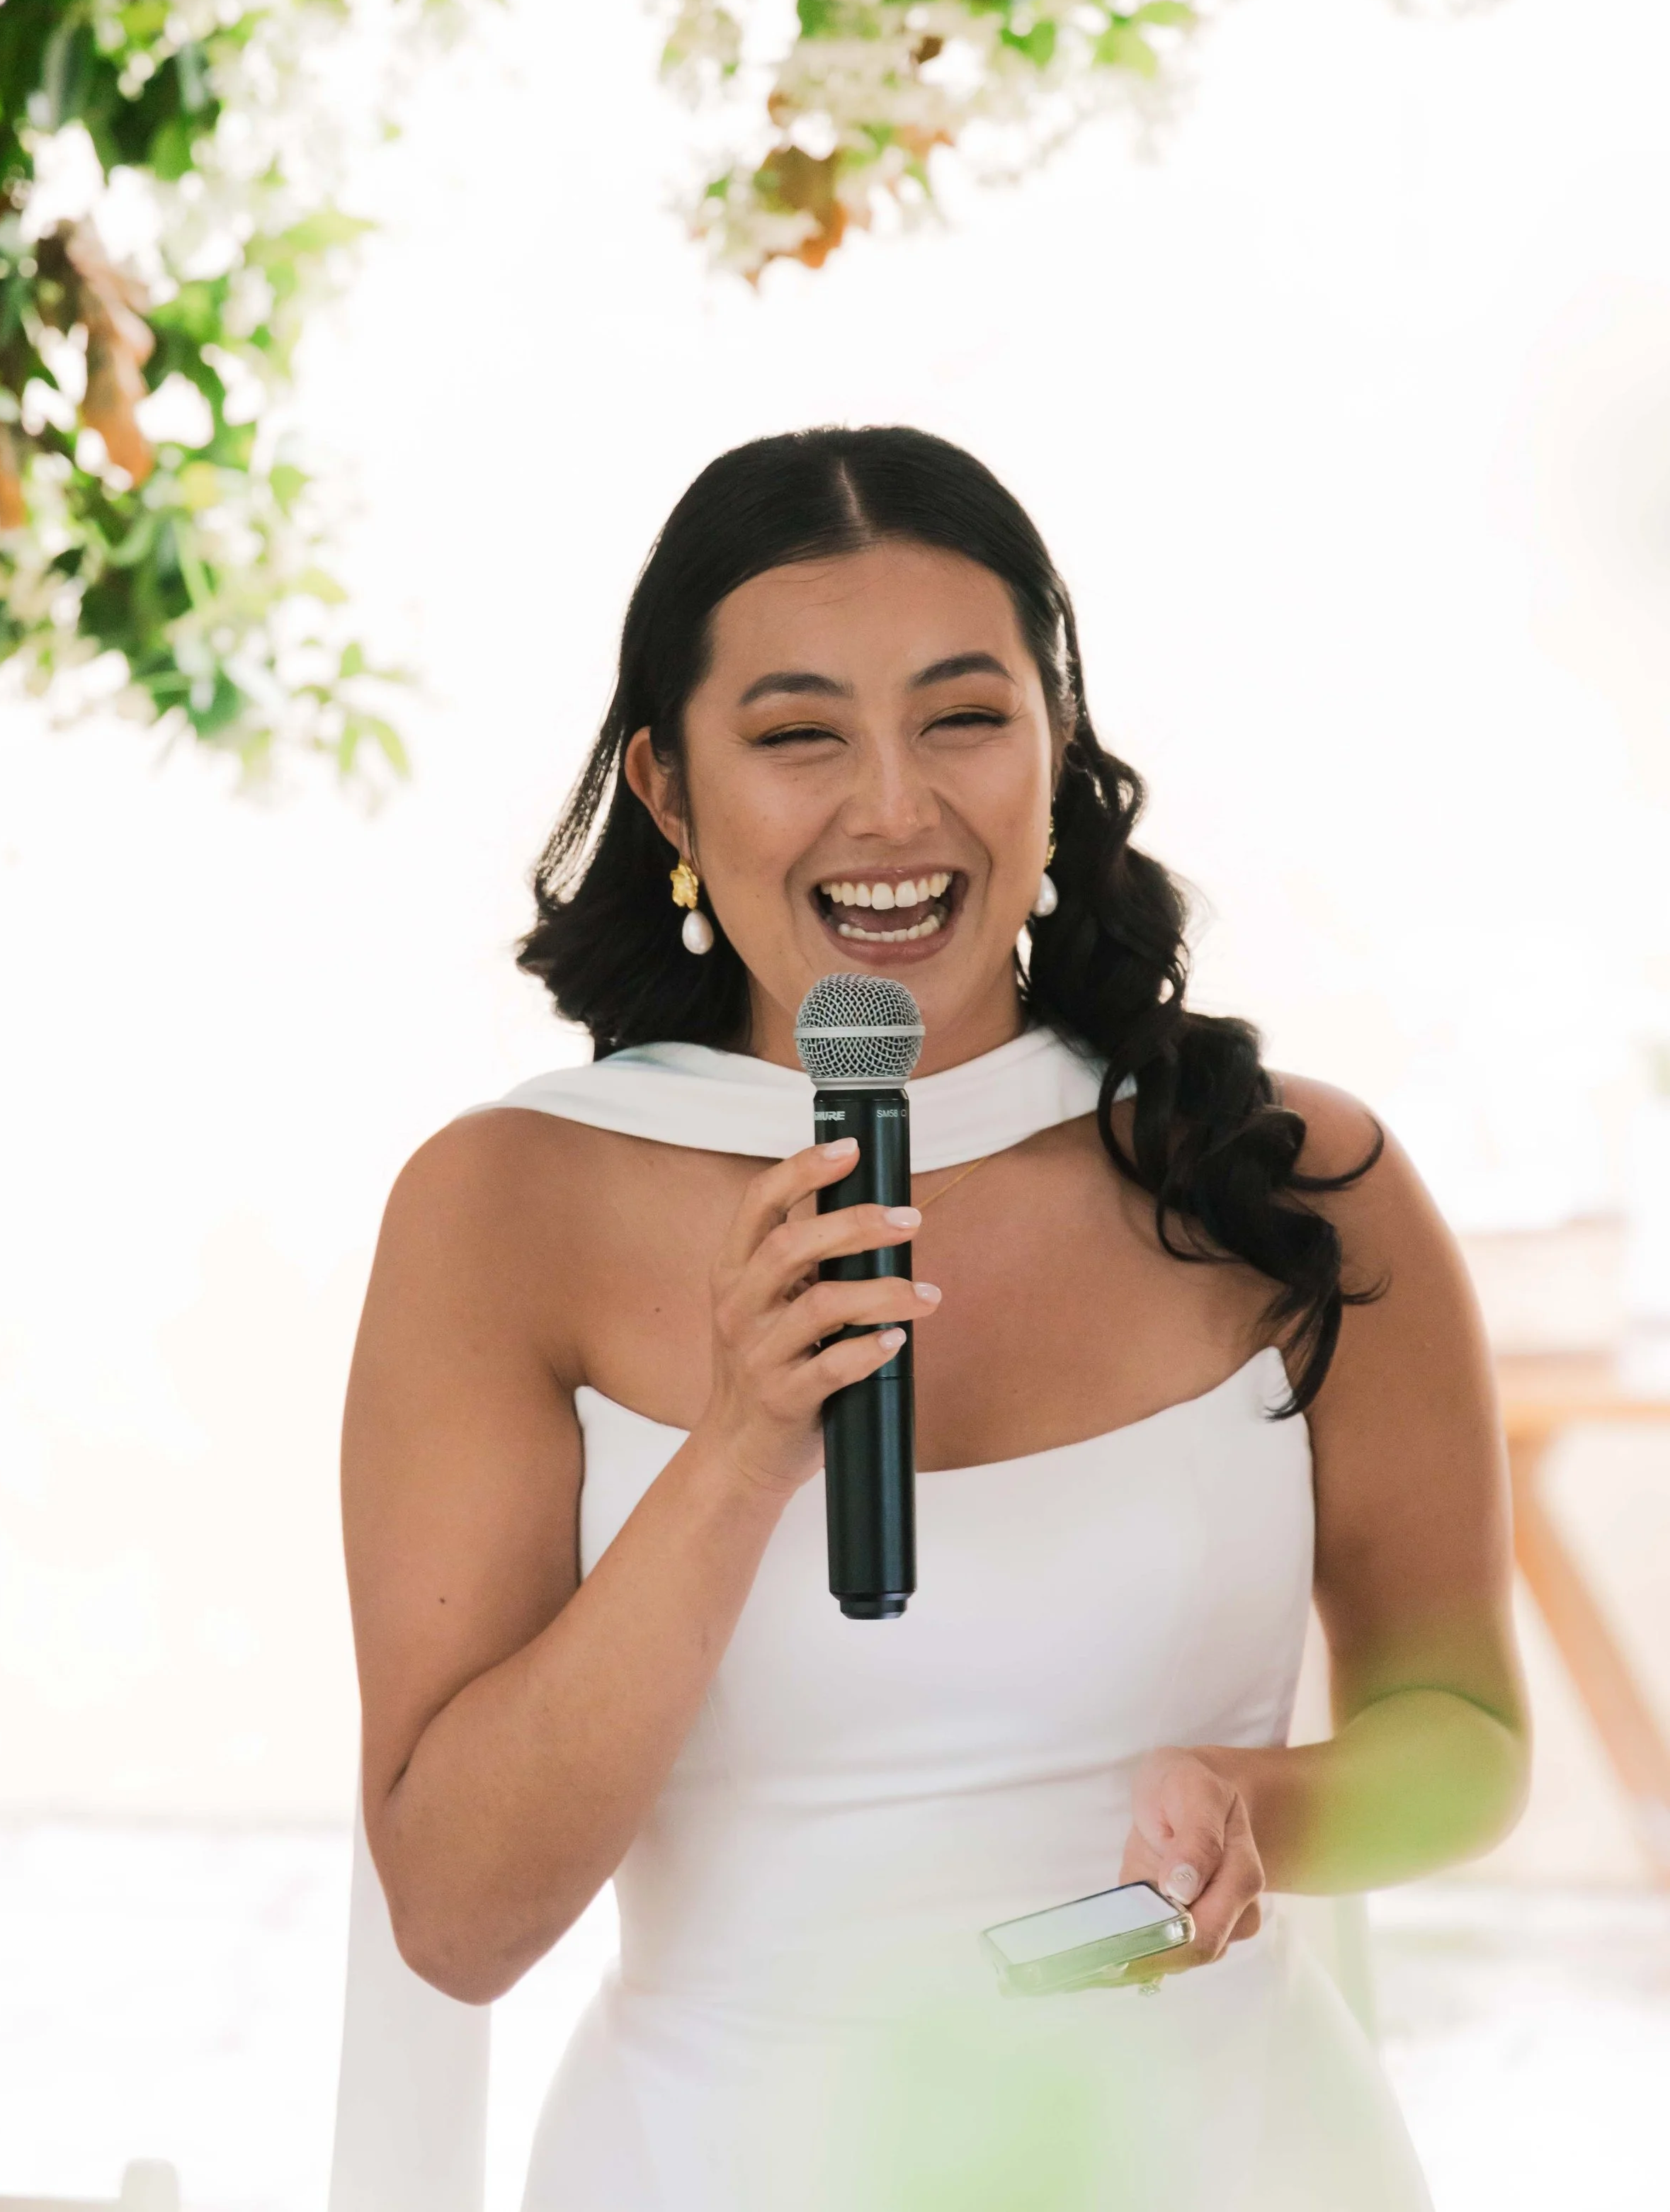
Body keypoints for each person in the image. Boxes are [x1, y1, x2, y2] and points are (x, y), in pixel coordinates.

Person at [341, 426, 1528, 2211]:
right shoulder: (502, 1211)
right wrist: (739, 1450)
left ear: (1054, 748)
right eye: (798, 735)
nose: (892, 810)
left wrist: (1263, 1810)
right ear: (668, 791)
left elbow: (1463, 1731)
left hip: (1226, 2156)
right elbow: (456, 1915)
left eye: (963, 718)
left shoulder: (1289, 1177)